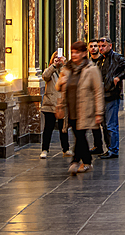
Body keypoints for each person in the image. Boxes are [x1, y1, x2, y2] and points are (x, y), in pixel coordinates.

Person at [55, 41, 104, 175]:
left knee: (80, 135)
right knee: (78, 135)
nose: (74, 55)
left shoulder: (91, 69)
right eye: (72, 52)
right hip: (70, 109)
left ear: (84, 53)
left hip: (85, 109)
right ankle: (85, 161)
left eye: (77, 52)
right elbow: (58, 87)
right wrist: (61, 82)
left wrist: (99, 112)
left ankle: (77, 161)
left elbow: (98, 91)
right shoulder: (67, 69)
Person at [97, 36, 125, 158]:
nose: (101, 48)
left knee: (111, 124)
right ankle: (109, 148)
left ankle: (113, 149)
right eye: (100, 46)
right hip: (102, 94)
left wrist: (118, 78)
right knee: (105, 124)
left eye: (103, 46)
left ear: (110, 46)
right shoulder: (100, 60)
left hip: (111, 94)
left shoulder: (116, 57)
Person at [41, 51, 70, 157]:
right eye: (56, 58)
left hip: (62, 103)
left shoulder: (65, 70)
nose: (58, 61)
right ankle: (45, 149)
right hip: (50, 103)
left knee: (63, 128)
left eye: (60, 58)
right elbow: (45, 76)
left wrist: (64, 64)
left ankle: (66, 149)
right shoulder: (50, 70)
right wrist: (53, 66)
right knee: (48, 128)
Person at [87, 40, 105, 154]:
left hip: (102, 94)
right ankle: (98, 145)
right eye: (91, 46)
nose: (93, 48)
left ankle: (109, 146)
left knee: (106, 124)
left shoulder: (103, 61)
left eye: (95, 46)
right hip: (90, 96)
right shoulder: (87, 63)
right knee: (94, 124)